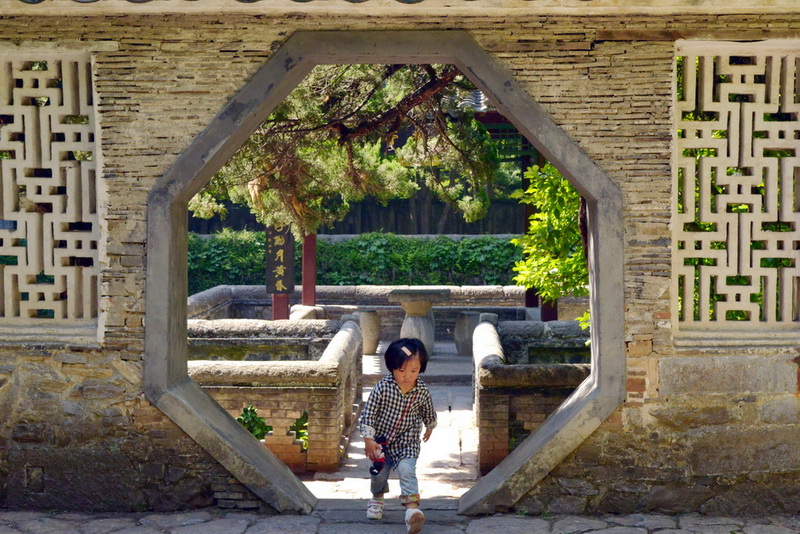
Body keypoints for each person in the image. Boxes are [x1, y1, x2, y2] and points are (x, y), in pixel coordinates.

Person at [359, 337, 437, 534]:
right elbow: (369, 414)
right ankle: (377, 498)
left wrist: (430, 426)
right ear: (392, 367)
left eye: (413, 371)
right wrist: (368, 440)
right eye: (401, 370)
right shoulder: (383, 388)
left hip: (407, 441)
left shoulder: (421, 390)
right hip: (381, 442)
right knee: (379, 474)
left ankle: (412, 511)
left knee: (407, 471)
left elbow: (428, 410)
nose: (407, 376)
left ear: (421, 368)